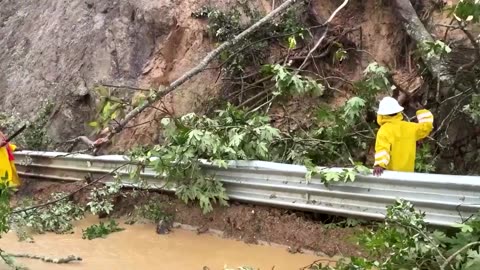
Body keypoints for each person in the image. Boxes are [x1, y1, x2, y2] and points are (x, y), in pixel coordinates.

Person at [373, 97, 434, 176]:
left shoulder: (384, 130)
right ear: (398, 112)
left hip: (390, 174)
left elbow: (382, 149)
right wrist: (422, 111)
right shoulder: (410, 127)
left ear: (381, 115)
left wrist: (379, 164)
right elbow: (426, 127)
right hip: (408, 174)